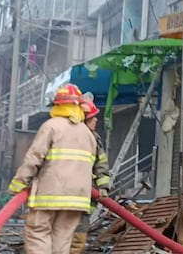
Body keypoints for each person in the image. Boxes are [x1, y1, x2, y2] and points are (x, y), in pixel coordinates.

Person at [8, 84, 102, 254]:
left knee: (38, 233)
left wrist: (18, 184)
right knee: (63, 238)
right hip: (78, 199)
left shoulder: (51, 126)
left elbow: (34, 158)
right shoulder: (88, 134)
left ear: (58, 105)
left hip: (50, 194)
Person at [69, 98, 111, 254]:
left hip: (83, 196)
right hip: (68, 196)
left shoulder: (94, 138)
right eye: (91, 117)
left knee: (77, 237)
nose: (96, 120)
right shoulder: (69, 136)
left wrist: (103, 187)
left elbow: (101, 164)